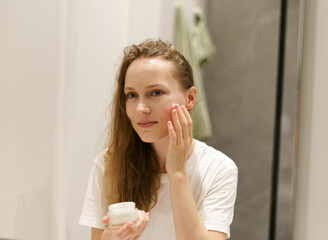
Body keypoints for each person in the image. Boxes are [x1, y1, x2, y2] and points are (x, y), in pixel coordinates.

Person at [79, 39, 238, 240]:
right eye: (131, 95)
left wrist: (177, 172)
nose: (141, 109)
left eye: (156, 93)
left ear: (190, 98)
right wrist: (113, 237)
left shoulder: (219, 169)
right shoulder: (108, 165)